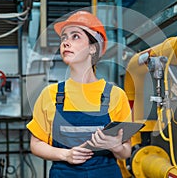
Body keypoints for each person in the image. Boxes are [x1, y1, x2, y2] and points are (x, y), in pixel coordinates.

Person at [26, 10, 133, 178]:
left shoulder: (115, 95)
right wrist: (65, 155)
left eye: (75, 36)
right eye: (64, 38)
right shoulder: (51, 95)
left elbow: (126, 151)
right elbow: (36, 144)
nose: (66, 43)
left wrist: (116, 146)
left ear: (92, 48)